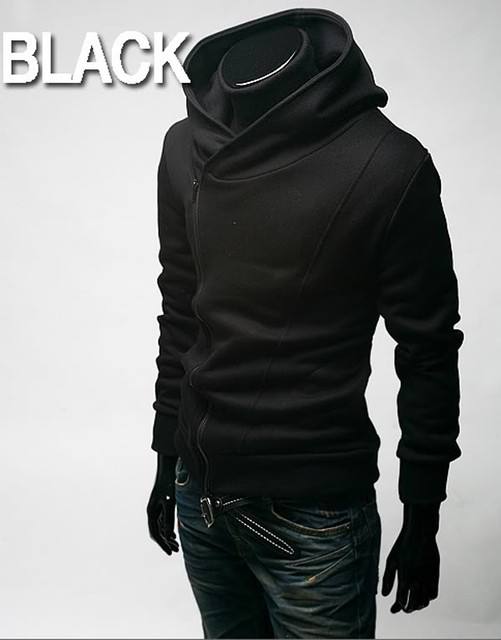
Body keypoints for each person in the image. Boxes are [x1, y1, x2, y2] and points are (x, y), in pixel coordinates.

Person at [146, 8, 464, 639]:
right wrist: (165, 452)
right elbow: (181, 306)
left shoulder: (389, 166)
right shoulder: (183, 146)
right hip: (199, 496)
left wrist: (422, 513)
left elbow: (427, 350)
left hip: (314, 515)